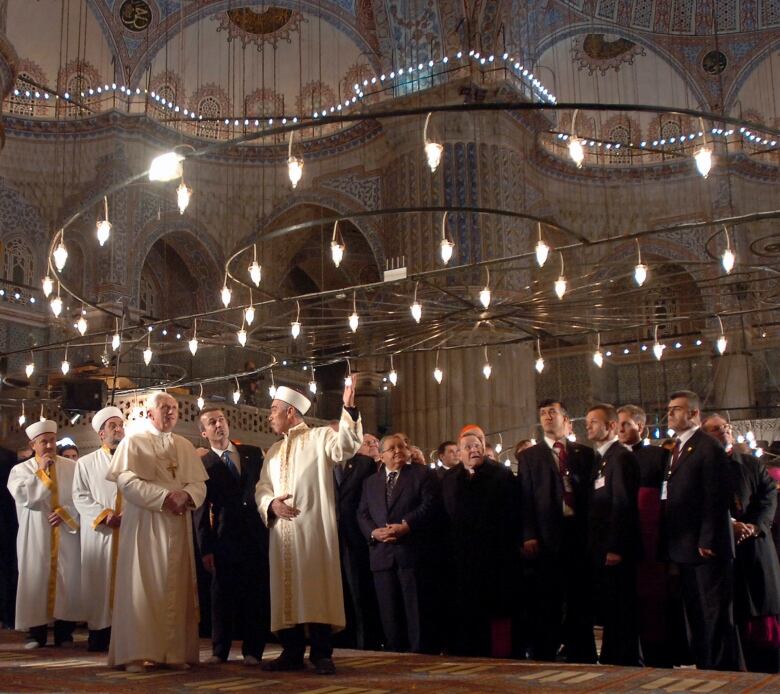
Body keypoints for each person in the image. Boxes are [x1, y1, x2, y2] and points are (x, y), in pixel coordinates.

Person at [256, 381, 362, 675]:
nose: (269, 416)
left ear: (291, 412)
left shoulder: (319, 437)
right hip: (282, 534)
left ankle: (321, 653)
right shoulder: (274, 451)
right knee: (285, 592)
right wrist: (270, 504)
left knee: (316, 588)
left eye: (274, 410)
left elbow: (346, 446)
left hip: (313, 530)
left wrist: (349, 410)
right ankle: (291, 652)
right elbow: (262, 487)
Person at [106, 391, 208, 672]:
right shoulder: (134, 442)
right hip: (145, 524)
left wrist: (186, 496)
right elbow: (126, 481)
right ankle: (136, 654)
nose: (171, 412)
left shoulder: (185, 445)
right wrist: (164, 498)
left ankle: (173, 654)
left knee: (174, 587)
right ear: (150, 413)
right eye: (165, 408)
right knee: (142, 586)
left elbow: (199, 484)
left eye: (174, 408)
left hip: (177, 524)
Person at [663, 391, 743, 671]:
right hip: (686, 546)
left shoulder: (707, 446)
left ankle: (723, 670)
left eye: (676, 409)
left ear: (694, 414)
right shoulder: (679, 447)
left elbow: (715, 496)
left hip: (705, 546)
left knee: (714, 613)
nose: (670, 413)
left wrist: (708, 538)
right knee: (696, 611)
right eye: (669, 409)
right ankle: (706, 666)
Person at [517, 399, 596, 663]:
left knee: (580, 597)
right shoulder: (529, 456)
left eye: (553, 412)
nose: (547, 416)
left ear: (566, 419)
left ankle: (582, 652)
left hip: (578, 535)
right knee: (547, 600)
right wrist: (528, 534)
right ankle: (545, 652)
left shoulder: (585, 454)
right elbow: (525, 498)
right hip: (546, 537)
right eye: (542, 413)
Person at [702, 414, 780, 673]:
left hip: (755, 544)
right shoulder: (702, 466)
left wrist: (754, 526)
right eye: (714, 429)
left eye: (725, 427)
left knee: (762, 611)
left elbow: (768, 497)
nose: (723, 432)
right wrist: (729, 525)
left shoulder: (750, 463)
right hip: (724, 546)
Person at [196, 407, 269, 666]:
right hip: (223, 537)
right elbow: (201, 511)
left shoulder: (251, 453)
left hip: (256, 535)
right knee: (221, 597)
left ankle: (253, 650)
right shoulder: (202, 464)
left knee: (256, 595)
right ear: (204, 432)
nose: (219, 425)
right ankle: (220, 650)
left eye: (222, 420)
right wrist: (206, 548)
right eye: (212, 422)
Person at [617, 404, 685, 667]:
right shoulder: (612, 457)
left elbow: (668, 499)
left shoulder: (658, 456)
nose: (621, 429)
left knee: (654, 603)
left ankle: (659, 656)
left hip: (651, 540)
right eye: (618, 424)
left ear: (640, 427)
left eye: (626, 424)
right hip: (623, 540)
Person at [358, 434, 439, 653]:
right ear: (382, 456)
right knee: (389, 613)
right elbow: (362, 513)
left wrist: (407, 525)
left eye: (401, 447)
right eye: (391, 449)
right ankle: (394, 655)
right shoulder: (370, 482)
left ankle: (419, 654)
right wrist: (373, 532)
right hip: (382, 555)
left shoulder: (423, 475)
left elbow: (429, 505)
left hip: (411, 552)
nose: (397, 451)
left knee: (415, 612)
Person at [441, 431, 518, 657]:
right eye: (468, 447)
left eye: (478, 445)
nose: (474, 450)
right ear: (459, 452)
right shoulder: (450, 478)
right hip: (460, 555)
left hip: (494, 554)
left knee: (494, 608)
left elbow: (513, 512)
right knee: (464, 606)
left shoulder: (501, 475)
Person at [7, 420, 82, 648]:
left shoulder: (71, 467)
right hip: (35, 533)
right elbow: (26, 498)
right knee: (35, 578)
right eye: (44, 442)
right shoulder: (20, 470)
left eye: (52, 441)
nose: (49, 446)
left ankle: (64, 633)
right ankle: (35, 633)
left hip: (66, 532)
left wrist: (66, 514)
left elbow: (80, 497)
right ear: (33, 444)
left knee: (67, 578)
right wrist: (42, 472)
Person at [584, 404, 641, 666]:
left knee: (621, 606)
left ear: (610, 426)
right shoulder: (602, 459)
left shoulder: (621, 457)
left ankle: (623, 658)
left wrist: (616, 547)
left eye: (594, 421)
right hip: (601, 546)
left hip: (616, 548)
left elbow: (623, 504)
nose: (588, 426)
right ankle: (613, 656)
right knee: (611, 606)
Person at [72, 406, 125, 652]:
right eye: (112, 426)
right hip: (100, 533)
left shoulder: (133, 460)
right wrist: (105, 516)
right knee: (98, 583)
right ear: (101, 433)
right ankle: (99, 633)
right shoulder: (85, 462)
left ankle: (125, 635)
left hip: (128, 530)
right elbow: (80, 496)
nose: (118, 429)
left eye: (120, 425)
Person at [335, 433, 383, 650]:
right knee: (339, 593)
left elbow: (371, 498)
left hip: (356, 537)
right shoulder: (322, 464)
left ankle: (365, 642)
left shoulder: (364, 463)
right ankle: (343, 639)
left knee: (359, 592)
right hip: (330, 539)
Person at [0, 445, 18, 630]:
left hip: (6, 522)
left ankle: (7, 615)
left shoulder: (7, 456)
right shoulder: (9, 455)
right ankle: (7, 617)